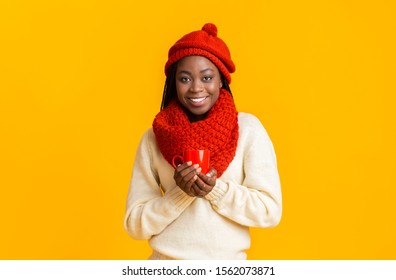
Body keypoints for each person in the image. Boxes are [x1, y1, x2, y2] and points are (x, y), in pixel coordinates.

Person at [124, 23, 282, 260]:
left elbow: (269, 211)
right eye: (185, 79)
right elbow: (134, 224)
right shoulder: (154, 138)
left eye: (207, 77)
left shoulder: (248, 130)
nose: (196, 88)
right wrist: (180, 194)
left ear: (220, 80)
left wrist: (214, 189)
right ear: (173, 83)